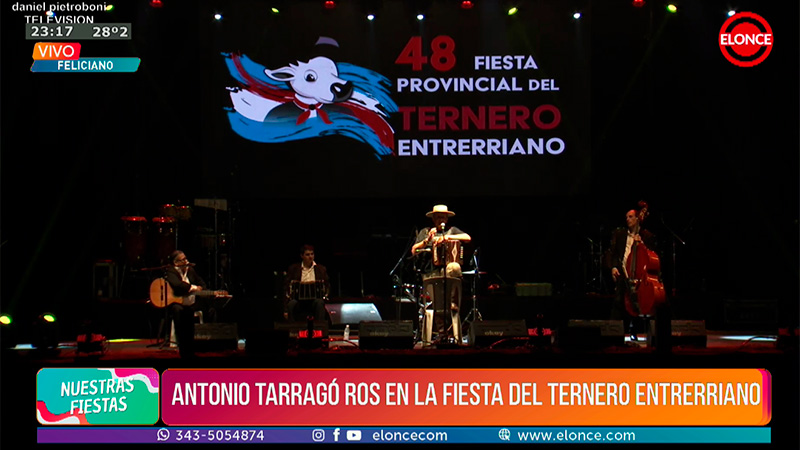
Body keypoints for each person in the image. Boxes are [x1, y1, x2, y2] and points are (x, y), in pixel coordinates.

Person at [411, 204, 471, 344]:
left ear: (447, 219)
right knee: (436, 303)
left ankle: (451, 331)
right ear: (433, 219)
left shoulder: (452, 230)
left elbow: (467, 237)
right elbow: (414, 250)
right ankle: (442, 333)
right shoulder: (425, 232)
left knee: (454, 268)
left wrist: (446, 238)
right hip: (430, 273)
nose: (441, 220)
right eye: (438, 217)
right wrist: (427, 240)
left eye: (443, 217)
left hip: (448, 274)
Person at [608, 201, 661, 339]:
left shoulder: (647, 236)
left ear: (638, 218)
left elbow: (652, 255)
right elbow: (613, 254)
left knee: (642, 302)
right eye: (626, 217)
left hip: (640, 276)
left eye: (631, 217)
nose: (628, 219)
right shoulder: (620, 234)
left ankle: (642, 330)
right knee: (618, 302)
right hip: (624, 273)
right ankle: (612, 333)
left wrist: (642, 244)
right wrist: (614, 267)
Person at [164, 250, 208, 358]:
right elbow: (178, 285)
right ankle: (182, 349)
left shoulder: (190, 270)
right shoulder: (171, 271)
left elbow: (202, 284)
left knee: (192, 313)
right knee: (178, 310)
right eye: (183, 260)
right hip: (177, 303)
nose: (186, 261)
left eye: (186, 258)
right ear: (176, 262)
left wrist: (200, 288)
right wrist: (193, 287)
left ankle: (191, 350)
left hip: (190, 303)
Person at [284, 244, 331, 322]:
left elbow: (327, 285)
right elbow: (286, 287)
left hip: (314, 301)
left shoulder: (321, 269)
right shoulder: (294, 269)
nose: (310, 257)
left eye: (312, 254)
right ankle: (292, 328)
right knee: (291, 304)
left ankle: (319, 327)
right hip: (299, 301)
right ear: (302, 256)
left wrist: (325, 296)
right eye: (307, 255)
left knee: (319, 303)